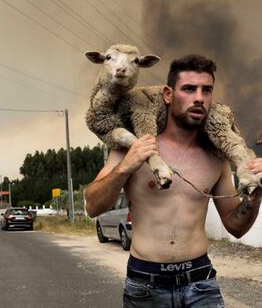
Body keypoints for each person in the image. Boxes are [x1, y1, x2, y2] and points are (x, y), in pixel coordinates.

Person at [85, 54, 262, 307]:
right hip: (145, 285)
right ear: (168, 94)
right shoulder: (134, 146)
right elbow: (92, 206)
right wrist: (126, 166)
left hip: (201, 283)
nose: (199, 97)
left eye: (206, 90)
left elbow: (236, 226)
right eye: (189, 89)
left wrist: (256, 194)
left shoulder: (216, 156)